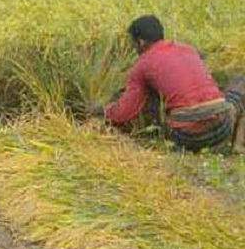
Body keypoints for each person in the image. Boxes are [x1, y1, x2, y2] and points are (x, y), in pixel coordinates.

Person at [93, 15, 245, 152]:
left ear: (140, 42)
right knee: (238, 87)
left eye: (133, 43)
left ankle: (162, 135)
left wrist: (103, 111)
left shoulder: (143, 64)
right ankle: (238, 144)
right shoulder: (188, 50)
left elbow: (125, 111)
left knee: (149, 97)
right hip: (222, 127)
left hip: (186, 136)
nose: (134, 48)